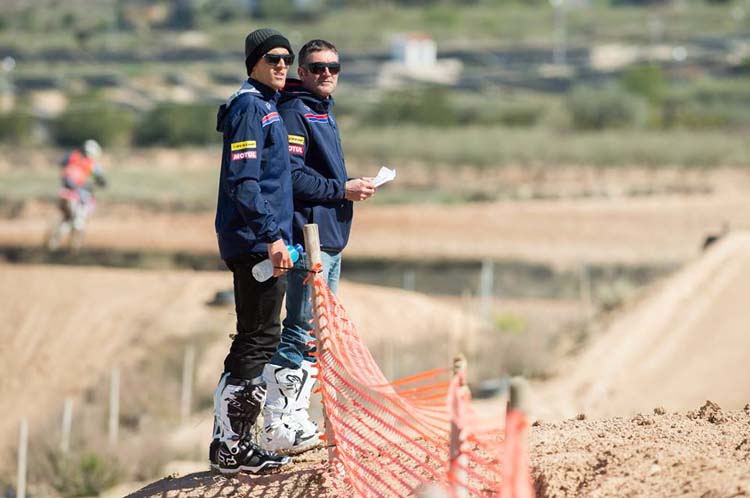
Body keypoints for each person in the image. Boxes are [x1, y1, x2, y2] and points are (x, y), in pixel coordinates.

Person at [260, 39, 376, 454]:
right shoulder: (296, 111)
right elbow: (290, 175)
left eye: (334, 67)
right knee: (300, 327)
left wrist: (342, 191)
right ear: (302, 72)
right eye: (317, 67)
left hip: (329, 238)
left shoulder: (321, 110)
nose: (327, 73)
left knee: (315, 333)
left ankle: (295, 418)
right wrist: (340, 189)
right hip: (307, 239)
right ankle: (277, 420)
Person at [209, 28, 304, 475]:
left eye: (286, 58)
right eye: (272, 59)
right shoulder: (250, 107)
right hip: (254, 243)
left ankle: (230, 443)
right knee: (259, 338)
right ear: (253, 63)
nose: (281, 64)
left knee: (255, 336)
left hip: (259, 239)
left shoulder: (265, 105)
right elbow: (243, 184)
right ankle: (233, 448)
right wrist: (271, 235)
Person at [46, 139, 107, 251]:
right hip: (78, 195)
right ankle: (72, 246)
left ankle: (54, 242)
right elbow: (102, 181)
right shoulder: (91, 164)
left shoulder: (72, 157)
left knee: (67, 219)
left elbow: (62, 165)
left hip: (65, 192)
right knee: (77, 220)